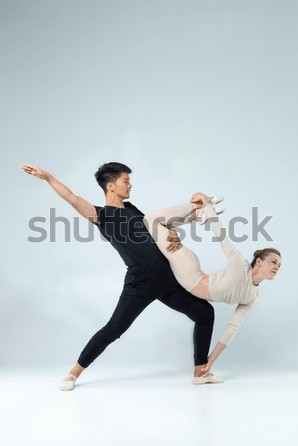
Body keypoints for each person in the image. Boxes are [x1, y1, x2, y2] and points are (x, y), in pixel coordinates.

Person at [20, 163, 221, 391]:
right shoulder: (102, 215)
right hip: (141, 281)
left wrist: (173, 234)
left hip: (167, 278)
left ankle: (200, 371)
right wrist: (47, 177)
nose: (130, 185)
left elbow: (157, 228)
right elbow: (73, 198)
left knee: (205, 313)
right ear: (111, 186)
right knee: (114, 329)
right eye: (126, 181)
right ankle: (73, 373)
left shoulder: (132, 208)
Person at [143, 196, 281, 374]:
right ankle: (198, 207)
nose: (277, 267)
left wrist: (210, 361)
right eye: (274, 262)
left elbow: (233, 327)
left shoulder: (252, 296)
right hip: (190, 273)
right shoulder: (240, 264)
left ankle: (196, 215)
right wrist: (208, 207)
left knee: (159, 227)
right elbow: (221, 235)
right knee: (151, 220)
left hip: (191, 279)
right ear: (260, 262)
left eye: (279, 265)